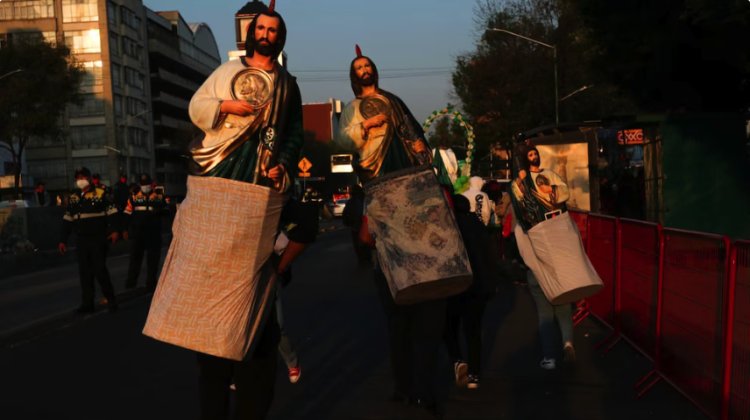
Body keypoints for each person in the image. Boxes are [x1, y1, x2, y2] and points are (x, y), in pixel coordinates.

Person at [141, 2, 303, 419]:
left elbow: (294, 135)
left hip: (258, 190)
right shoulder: (226, 74)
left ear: (281, 37)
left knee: (254, 300)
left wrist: (281, 162)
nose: (266, 33)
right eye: (261, 28)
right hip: (220, 171)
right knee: (209, 277)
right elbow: (198, 107)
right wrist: (227, 108)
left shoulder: (287, 85)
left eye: (273, 29)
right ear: (251, 34)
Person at [337, 45, 446, 417]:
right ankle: (405, 384)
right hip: (379, 182)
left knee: (421, 321)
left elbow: (413, 131)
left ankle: (424, 386)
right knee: (399, 323)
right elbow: (344, 141)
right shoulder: (352, 109)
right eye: (359, 67)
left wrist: (418, 144)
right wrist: (365, 127)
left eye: (368, 65)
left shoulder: (393, 101)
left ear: (375, 70)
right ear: (354, 76)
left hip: (407, 185)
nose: (365, 70)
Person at [510, 145, 575, 369]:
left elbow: (562, 192)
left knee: (546, 312)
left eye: (534, 153)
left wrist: (550, 191)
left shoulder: (549, 176)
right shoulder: (520, 185)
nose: (534, 156)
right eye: (529, 154)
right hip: (552, 254)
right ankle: (567, 343)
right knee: (563, 307)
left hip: (542, 258)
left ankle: (552, 356)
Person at [444, 194, 495, 389]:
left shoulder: (451, 227)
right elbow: (490, 257)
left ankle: (457, 359)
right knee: (473, 331)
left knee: (449, 326)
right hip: (479, 286)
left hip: (457, 285)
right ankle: (474, 374)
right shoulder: (479, 227)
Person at [58, 167, 119, 313]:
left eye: (83, 177)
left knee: (99, 270)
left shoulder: (100, 193)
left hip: (98, 238)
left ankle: (111, 300)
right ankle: (87, 304)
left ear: (90, 178)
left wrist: (115, 231)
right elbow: (67, 220)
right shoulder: (74, 197)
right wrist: (62, 240)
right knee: (85, 273)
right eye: (78, 177)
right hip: (82, 239)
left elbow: (113, 213)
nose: (80, 180)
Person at [123, 173, 167, 292]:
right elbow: (127, 213)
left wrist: (160, 210)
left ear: (151, 184)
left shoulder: (158, 195)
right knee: (135, 259)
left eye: (147, 184)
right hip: (138, 233)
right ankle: (131, 285)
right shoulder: (134, 196)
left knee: (153, 260)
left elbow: (167, 210)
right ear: (139, 184)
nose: (145, 186)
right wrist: (125, 229)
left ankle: (151, 284)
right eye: (143, 184)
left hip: (153, 232)